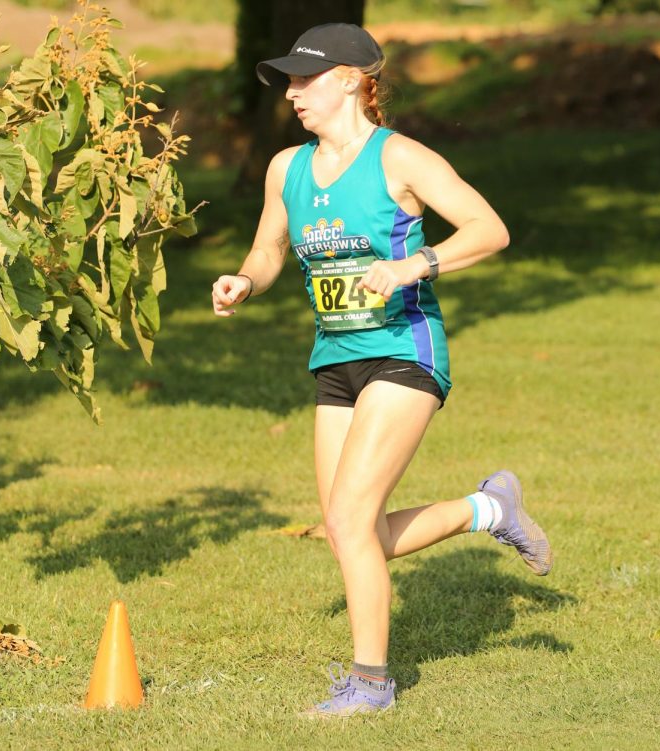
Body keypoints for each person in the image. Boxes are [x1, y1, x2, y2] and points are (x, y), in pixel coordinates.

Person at [211, 22, 552, 718]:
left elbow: (490, 228)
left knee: (349, 516)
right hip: (335, 358)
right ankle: (489, 508)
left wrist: (410, 265)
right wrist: (244, 281)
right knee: (345, 530)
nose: (293, 93)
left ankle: (371, 684)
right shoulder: (287, 168)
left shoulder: (401, 159)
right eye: (289, 81)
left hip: (405, 350)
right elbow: (269, 250)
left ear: (347, 80)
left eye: (305, 79)